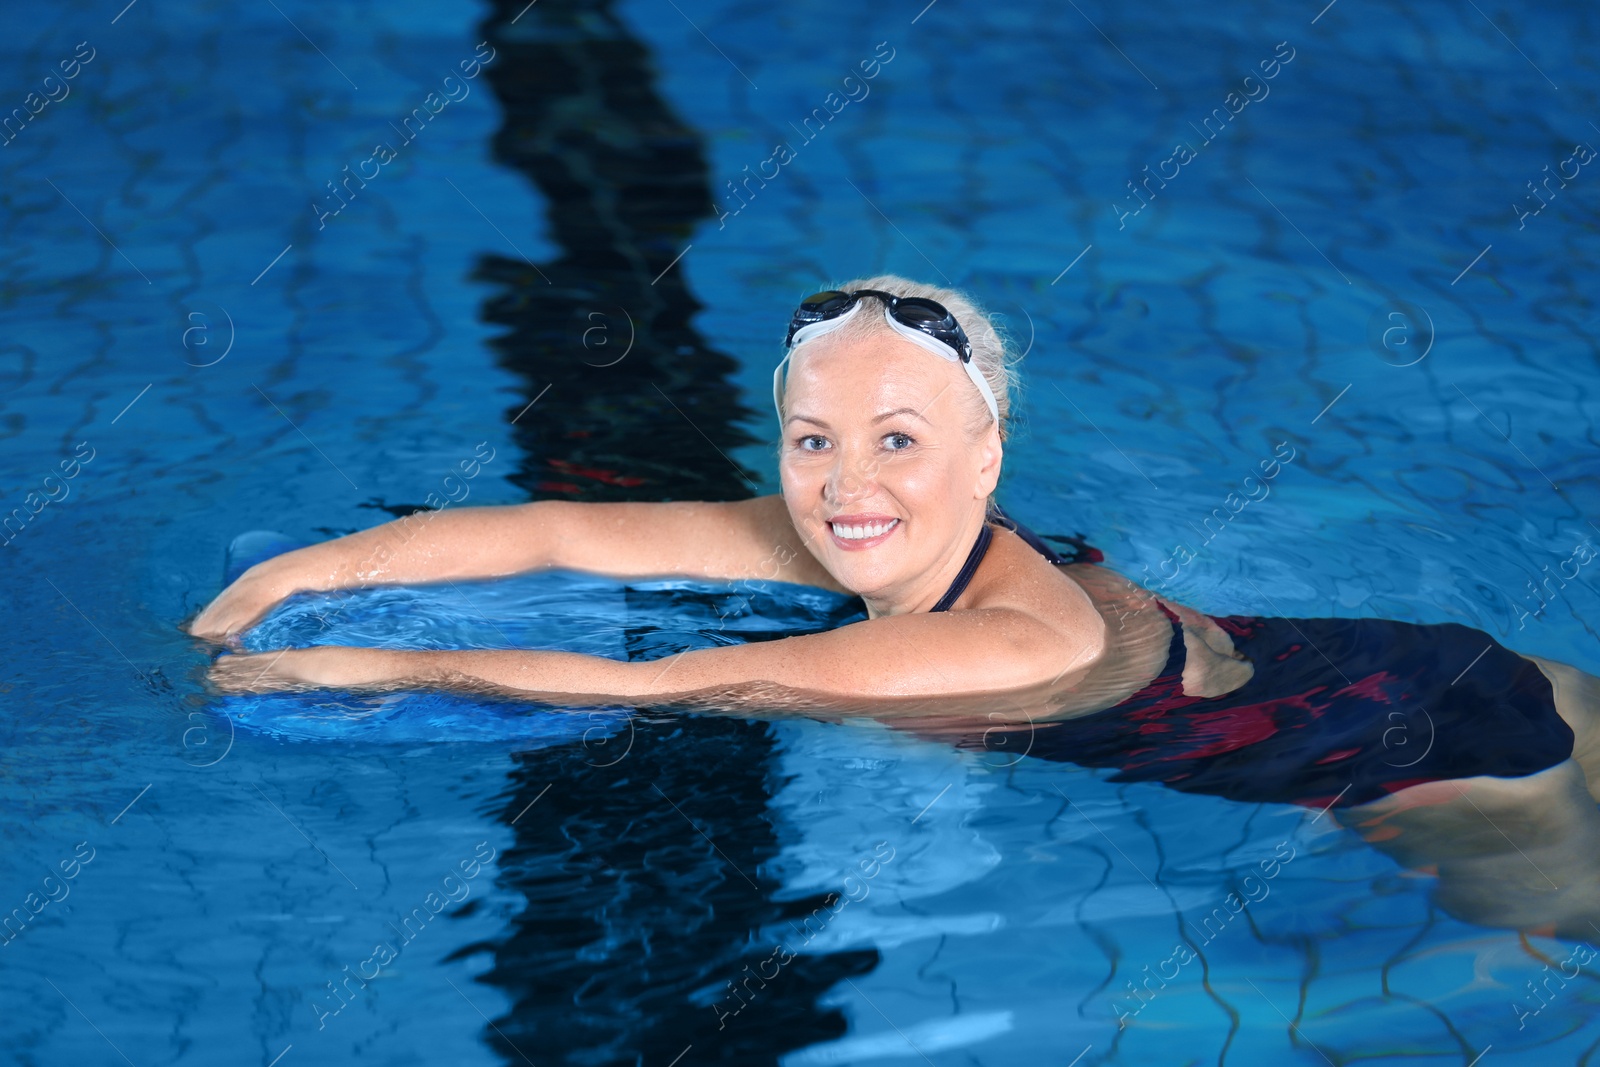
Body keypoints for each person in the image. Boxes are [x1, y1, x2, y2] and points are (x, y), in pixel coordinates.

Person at [191, 275, 1600, 938]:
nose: (846, 485)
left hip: (1422, 749)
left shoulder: (999, 636)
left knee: (1569, 942)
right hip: (1410, 658)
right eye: (815, 440)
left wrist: (349, 666)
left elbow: (662, 690)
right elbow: (557, 525)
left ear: (985, 457)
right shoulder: (864, 534)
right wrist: (302, 572)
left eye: (897, 441)